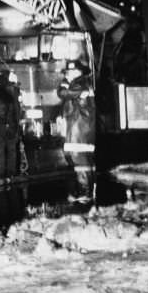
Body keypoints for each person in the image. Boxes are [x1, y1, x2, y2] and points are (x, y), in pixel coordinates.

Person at [57, 59, 96, 196]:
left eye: (72, 71)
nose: (69, 74)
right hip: (79, 126)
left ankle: (85, 190)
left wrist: (64, 83)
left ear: (79, 72)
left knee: (78, 157)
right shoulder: (81, 83)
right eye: (68, 71)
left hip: (79, 127)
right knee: (80, 158)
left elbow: (62, 94)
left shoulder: (79, 84)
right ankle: (86, 188)